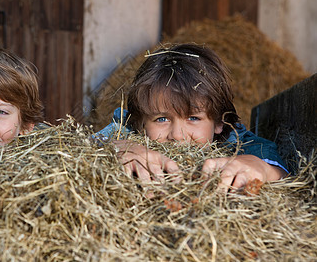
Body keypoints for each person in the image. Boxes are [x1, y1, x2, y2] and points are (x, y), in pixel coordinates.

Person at [96, 43, 288, 192]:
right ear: (141, 123)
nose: (177, 135)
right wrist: (119, 147)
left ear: (219, 122)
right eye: (162, 119)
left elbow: (278, 169)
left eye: (193, 118)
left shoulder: (237, 142)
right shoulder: (130, 133)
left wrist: (260, 167)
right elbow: (83, 145)